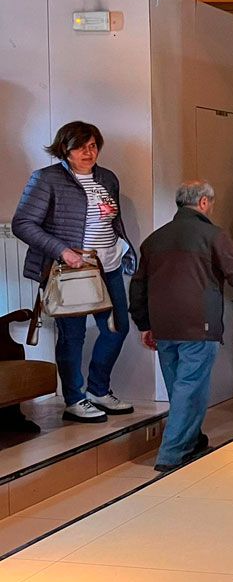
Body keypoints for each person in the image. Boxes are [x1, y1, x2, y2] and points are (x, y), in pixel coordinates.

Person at [129, 181, 233, 473]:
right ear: (204, 202)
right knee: (190, 389)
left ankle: (193, 441)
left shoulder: (154, 240)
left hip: (163, 325)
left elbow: (138, 285)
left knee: (179, 386)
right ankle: (171, 454)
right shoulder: (212, 235)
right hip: (198, 323)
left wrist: (144, 323)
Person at [13, 121, 136, 423]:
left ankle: (98, 389)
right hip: (70, 270)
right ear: (65, 149)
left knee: (118, 327)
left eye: (93, 145)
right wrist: (62, 251)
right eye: (81, 146)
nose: (88, 152)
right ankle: (75, 398)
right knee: (73, 336)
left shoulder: (107, 177)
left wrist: (124, 246)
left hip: (109, 264)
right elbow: (23, 224)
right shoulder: (46, 179)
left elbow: (110, 220)